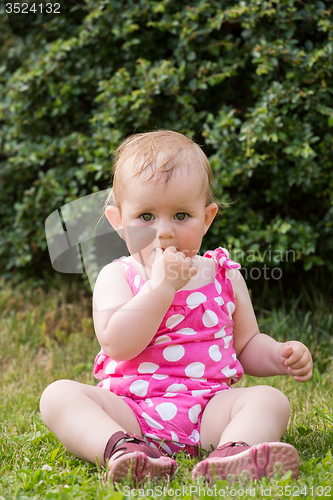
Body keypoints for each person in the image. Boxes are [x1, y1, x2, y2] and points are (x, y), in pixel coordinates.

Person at [40, 130, 313, 485]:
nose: (164, 231)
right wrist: (162, 287)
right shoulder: (117, 276)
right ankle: (125, 450)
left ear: (207, 218)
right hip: (132, 411)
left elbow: (245, 346)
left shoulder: (224, 276)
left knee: (271, 400)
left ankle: (233, 453)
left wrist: (278, 355)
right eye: (146, 217)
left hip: (208, 411)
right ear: (118, 221)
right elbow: (116, 344)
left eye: (182, 215)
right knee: (58, 396)